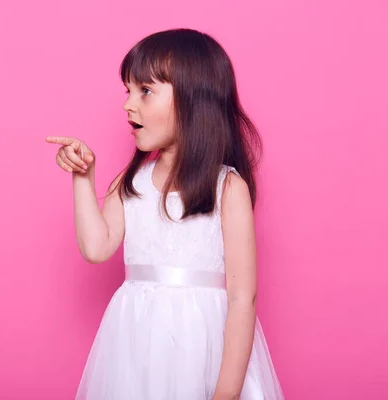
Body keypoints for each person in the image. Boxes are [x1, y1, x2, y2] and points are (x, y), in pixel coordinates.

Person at [46, 28, 284, 400]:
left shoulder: (227, 188)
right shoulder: (132, 181)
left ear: (193, 101)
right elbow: (96, 247)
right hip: (136, 347)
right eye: (128, 90)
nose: (128, 104)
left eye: (145, 90)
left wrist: (226, 394)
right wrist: (82, 178)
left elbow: (242, 298)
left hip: (202, 348)